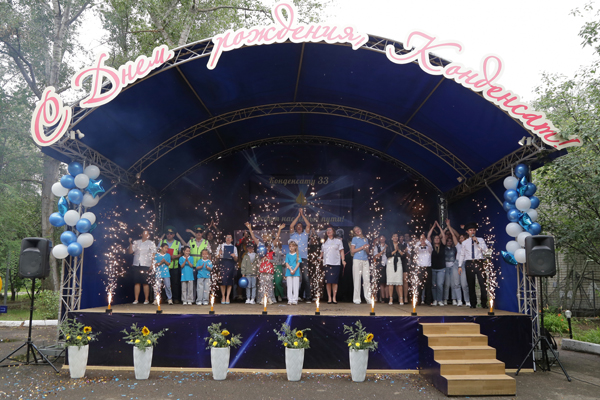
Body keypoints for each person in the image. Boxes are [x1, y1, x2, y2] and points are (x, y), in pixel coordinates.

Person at [458, 222, 489, 309]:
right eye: (470, 230)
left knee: (483, 283)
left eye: (474, 230)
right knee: (471, 284)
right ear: (467, 232)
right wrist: (459, 266)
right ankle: (473, 303)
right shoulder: (465, 242)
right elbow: (462, 254)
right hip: (469, 263)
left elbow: (486, 251)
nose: (472, 232)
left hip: (479, 262)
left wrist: (477, 242)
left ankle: (484, 303)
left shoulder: (481, 240)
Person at [444, 219, 470, 306]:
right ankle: (459, 300)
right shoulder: (458, 246)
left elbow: (471, 237)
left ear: (465, 239)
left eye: (462, 238)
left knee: (464, 284)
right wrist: (448, 225)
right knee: (456, 284)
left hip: (464, 264)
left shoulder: (469, 245)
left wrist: (465, 229)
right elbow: (453, 235)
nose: (460, 239)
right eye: (460, 238)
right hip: (456, 264)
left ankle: (467, 301)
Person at [289, 209, 312, 303]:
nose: (299, 227)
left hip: (303, 258)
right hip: (294, 258)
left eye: (300, 226)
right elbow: (291, 226)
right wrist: (298, 216)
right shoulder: (292, 235)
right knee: (294, 277)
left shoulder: (305, 234)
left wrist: (302, 215)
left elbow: (308, 225)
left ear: (302, 228)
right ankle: (295, 296)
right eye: (297, 226)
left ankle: (308, 297)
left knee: (306, 278)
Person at [128, 230, 156, 305]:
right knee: (137, 282)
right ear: (142, 234)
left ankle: (146, 299)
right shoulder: (136, 242)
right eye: (144, 233)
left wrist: (152, 264)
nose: (146, 235)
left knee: (145, 282)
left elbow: (153, 254)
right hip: (137, 264)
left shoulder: (151, 243)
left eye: (147, 234)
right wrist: (130, 243)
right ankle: (136, 299)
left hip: (146, 264)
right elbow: (130, 252)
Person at [320, 226, 345, 304]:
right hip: (327, 263)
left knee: (334, 281)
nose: (328, 231)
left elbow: (341, 251)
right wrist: (319, 257)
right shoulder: (324, 242)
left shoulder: (338, 241)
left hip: (336, 263)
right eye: (327, 230)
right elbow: (322, 252)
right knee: (328, 281)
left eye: (330, 230)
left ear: (333, 231)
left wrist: (343, 260)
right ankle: (329, 298)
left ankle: (334, 297)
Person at [158, 226, 184, 303]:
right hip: (163, 266)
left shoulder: (177, 243)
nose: (169, 235)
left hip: (174, 265)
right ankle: (164, 298)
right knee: (163, 283)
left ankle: (175, 298)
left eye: (171, 233)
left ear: (173, 235)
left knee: (175, 283)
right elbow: (157, 251)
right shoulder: (162, 242)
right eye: (167, 233)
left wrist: (175, 256)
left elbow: (181, 253)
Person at [185, 225, 210, 301]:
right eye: (197, 232)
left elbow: (209, 254)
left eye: (200, 232)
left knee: (202, 284)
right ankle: (192, 298)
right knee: (192, 283)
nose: (199, 233)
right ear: (195, 233)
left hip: (202, 267)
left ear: (202, 233)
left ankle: (201, 299)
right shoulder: (190, 241)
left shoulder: (206, 242)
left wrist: (209, 264)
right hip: (192, 265)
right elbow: (186, 251)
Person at [350, 226, 370, 304]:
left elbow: (368, 252)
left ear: (360, 229)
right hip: (357, 259)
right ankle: (356, 299)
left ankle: (368, 298)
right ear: (355, 233)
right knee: (357, 279)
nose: (357, 231)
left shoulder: (366, 239)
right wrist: (362, 247)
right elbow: (352, 250)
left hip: (365, 260)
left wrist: (366, 248)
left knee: (367, 279)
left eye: (358, 229)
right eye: (356, 231)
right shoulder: (354, 239)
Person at [217, 234, 238, 304]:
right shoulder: (221, 246)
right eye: (227, 237)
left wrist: (234, 256)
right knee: (222, 281)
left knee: (229, 281)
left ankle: (227, 297)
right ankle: (223, 296)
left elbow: (236, 259)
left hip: (230, 264)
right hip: (223, 263)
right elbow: (216, 257)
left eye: (230, 237)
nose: (228, 238)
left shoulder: (234, 247)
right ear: (225, 238)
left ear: (232, 239)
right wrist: (219, 254)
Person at [414, 232, 433, 306]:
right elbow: (415, 248)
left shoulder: (429, 249)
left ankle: (428, 301)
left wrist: (425, 239)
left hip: (428, 268)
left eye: (424, 240)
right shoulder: (418, 249)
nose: (423, 241)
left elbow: (430, 245)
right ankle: (418, 301)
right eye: (421, 240)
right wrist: (420, 240)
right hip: (420, 268)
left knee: (428, 285)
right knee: (419, 285)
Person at [429, 221, 446, 306]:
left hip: (441, 268)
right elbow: (428, 236)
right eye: (435, 238)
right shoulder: (431, 246)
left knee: (440, 285)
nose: (436, 239)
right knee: (433, 285)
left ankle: (440, 300)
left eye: (438, 238)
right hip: (433, 268)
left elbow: (443, 236)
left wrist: (439, 226)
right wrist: (433, 227)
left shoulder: (442, 245)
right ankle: (435, 300)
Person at [387, 233, 404, 305]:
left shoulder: (401, 245)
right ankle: (391, 298)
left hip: (398, 262)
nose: (395, 237)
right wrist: (395, 250)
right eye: (394, 236)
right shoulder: (389, 245)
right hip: (390, 262)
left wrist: (398, 250)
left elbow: (403, 255)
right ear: (392, 237)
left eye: (397, 236)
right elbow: (387, 254)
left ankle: (401, 298)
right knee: (390, 282)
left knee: (399, 282)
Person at [372, 235, 388, 303]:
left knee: (387, 282)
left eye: (383, 237)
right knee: (381, 282)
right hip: (380, 265)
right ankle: (383, 298)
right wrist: (383, 250)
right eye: (381, 238)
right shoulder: (377, 247)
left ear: (385, 238)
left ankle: (387, 297)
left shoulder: (388, 246)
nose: (382, 239)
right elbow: (376, 256)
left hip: (388, 265)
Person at [285, 241, 302, 305]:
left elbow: (298, 263)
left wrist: (294, 270)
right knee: (289, 286)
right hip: (289, 272)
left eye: (292, 246)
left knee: (295, 286)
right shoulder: (288, 255)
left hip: (296, 272)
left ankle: (295, 299)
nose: (291, 248)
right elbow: (286, 263)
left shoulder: (298, 255)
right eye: (290, 246)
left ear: (295, 247)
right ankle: (290, 299)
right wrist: (290, 269)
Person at [272, 235, 286, 302]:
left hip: (279, 266)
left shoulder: (279, 247)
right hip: (272, 266)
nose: (275, 241)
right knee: (273, 282)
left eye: (276, 240)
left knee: (278, 282)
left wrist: (277, 234)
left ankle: (281, 294)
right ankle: (276, 296)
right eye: (273, 240)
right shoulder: (270, 248)